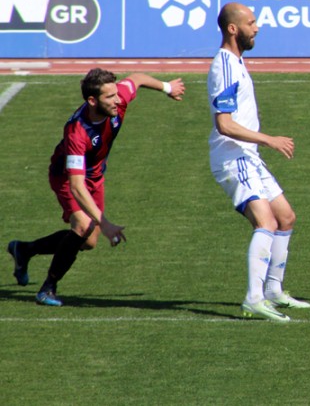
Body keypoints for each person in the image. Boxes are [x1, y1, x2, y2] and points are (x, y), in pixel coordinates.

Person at [6, 68, 185, 306]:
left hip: (95, 176)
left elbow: (138, 79)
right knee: (83, 225)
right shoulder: (77, 132)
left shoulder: (117, 97)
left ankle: (24, 250)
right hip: (66, 177)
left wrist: (167, 88)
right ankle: (47, 288)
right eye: (110, 97)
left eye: (116, 93)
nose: (118, 99)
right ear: (92, 100)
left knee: (88, 242)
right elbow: (76, 186)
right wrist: (106, 223)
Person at [208, 2, 310, 323]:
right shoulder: (223, 65)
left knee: (286, 217)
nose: (258, 27)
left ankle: (273, 291)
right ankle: (253, 299)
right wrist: (268, 139)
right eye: (252, 23)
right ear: (233, 29)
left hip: (249, 156)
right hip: (233, 156)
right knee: (265, 222)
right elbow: (223, 123)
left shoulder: (237, 61)